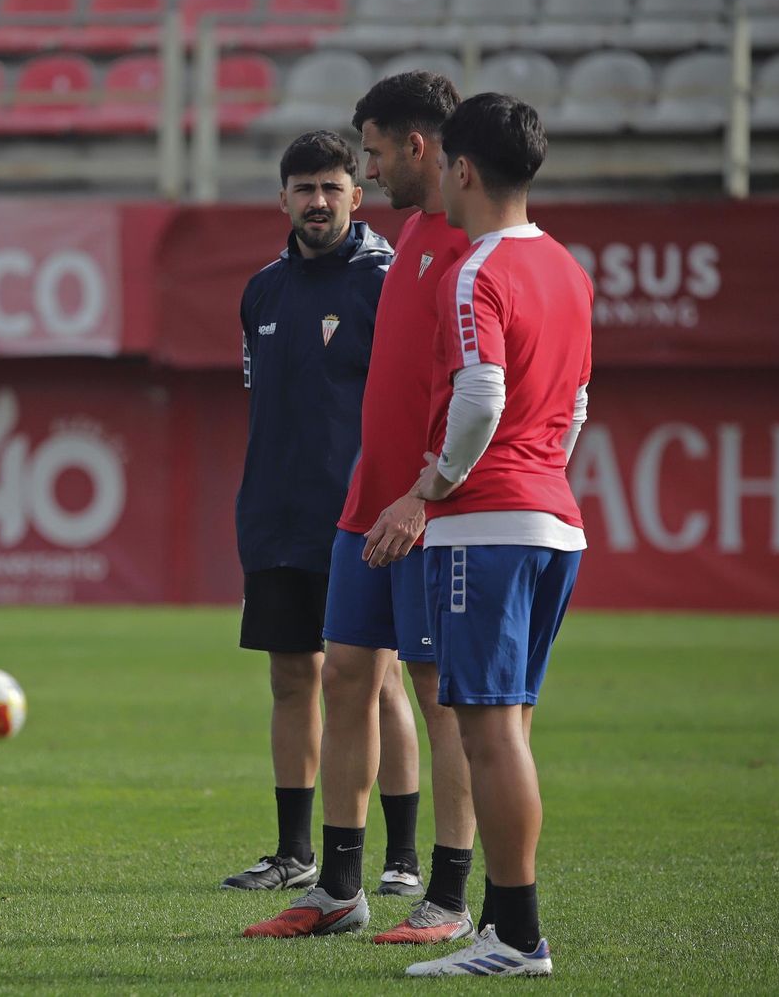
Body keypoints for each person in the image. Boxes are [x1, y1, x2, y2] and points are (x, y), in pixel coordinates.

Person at [245, 72, 478, 942]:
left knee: (429, 694)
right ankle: (336, 891)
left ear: (415, 145)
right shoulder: (416, 233)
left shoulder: (460, 246)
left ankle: (444, 893)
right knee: (340, 677)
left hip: (420, 510)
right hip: (350, 512)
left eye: (369, 156)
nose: (364, 173)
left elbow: (487, 390)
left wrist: (426, 492)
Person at [401, 93, 591, 978]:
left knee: (490, 729)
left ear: (463, 169)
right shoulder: (566, 268)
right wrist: (539, 470)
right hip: (549, 518)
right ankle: (508, 928)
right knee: (501, 723)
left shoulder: (476, 271)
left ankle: (516, 937)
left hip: (488, 524)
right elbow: (578, 403)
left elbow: (481, 398)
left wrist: (435, 483)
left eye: (440, 161)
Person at [226, 131, 423, 893]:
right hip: (276, 515)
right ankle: (292, 853)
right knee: (289, 680)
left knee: (378, 683)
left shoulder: (386, 279)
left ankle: (402, 857)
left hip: (362, 518)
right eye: (303, 188)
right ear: (282, 197)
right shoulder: (262, 291)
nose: (317, 201)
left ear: (357, 194)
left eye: (331, 187)